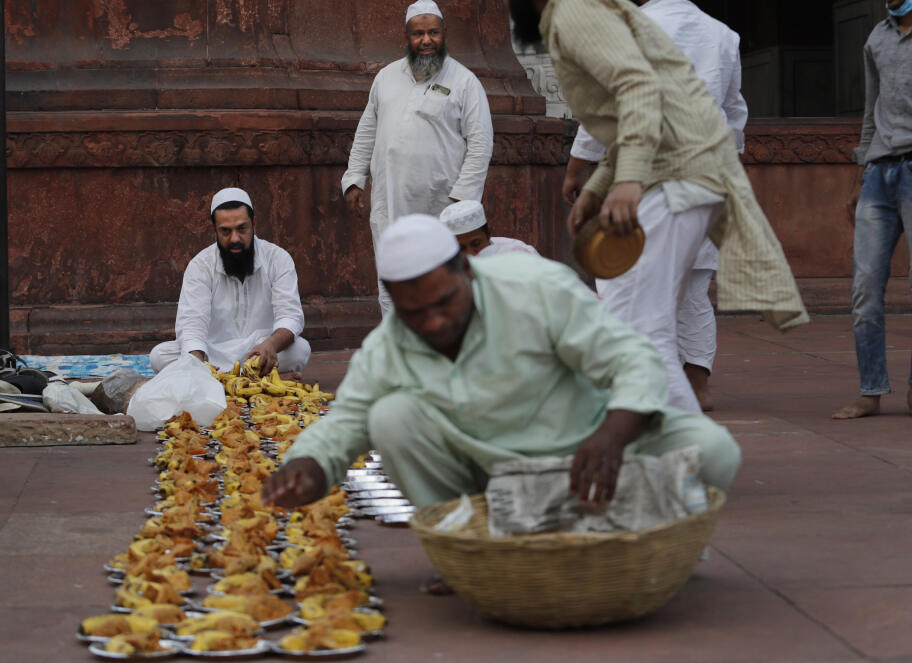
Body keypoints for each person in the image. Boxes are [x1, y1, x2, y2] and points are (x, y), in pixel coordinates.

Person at [488, 0, 807, 414]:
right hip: (689, 170)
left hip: (675, 175)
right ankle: (670, 449)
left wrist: (628, 181)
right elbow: (642, 109)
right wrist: (599, 185)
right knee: (642, 320)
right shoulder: (584, 7)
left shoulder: (577, 12)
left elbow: (638, 89)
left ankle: (680, 452)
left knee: (634, 324)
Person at [263, 214, 740, 520]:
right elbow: (344, 424)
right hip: (492, 479)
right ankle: (466, 536)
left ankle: (588, 523)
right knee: (391, 417)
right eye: (414, 312)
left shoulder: (535, 285)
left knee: (715, 452)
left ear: (468, 271)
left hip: (589, 447)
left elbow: (632, 358)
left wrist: (613, 435)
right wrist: (307, 468)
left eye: (444, 302)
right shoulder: (389, 346)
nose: (433, 321)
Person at [564, 0, 749, 411]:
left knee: (626, 288)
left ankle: (639, 389)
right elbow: (734, 116)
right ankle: (697, 387)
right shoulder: (723, 36)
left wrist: (578, 167)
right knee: (692, 287)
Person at [341, 0, 494, 314]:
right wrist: (354, 178)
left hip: (441, 206)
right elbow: (367, 131)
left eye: (434, 33)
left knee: (440, 282)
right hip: (389, 201)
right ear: (407, 37)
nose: (427, 40)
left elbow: (480, 143)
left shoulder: (464, 81)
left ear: (444, 33)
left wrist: (462, 199)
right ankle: (398, 352)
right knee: (391, 280)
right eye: (419, 33)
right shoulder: (385, 77)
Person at [833, 0, 912, 420]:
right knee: (864, 289)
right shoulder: (877, 40)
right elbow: (870, 113)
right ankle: (870, 389)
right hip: (879, 175)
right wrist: (859, 173)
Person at [149, 187, 310, 377]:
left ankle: (224, 382)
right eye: (225, 231)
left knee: (300, 350)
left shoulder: (278, 258)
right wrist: (198, 363)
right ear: (214, 230)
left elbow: (291, 316)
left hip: (261, 351)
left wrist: (271, 345)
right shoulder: (200, 265)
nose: (235, 238)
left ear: (253, 224)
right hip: (213, 353)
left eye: (242, 229)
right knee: (159, 356)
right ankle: (259, 379)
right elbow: (192, 323)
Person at [438, 199, 539, 257]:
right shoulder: (449, 267)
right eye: (462, 249)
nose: (470, 254)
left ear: (488, 234)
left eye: (476, 244)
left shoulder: (519, 253)